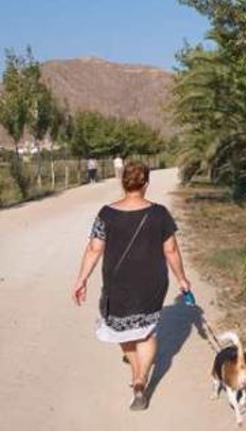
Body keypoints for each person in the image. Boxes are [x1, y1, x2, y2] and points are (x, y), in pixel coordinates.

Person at [72, 161, 191, 410]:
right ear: (146, 183)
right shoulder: (160, 214)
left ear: (122, 182)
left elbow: (94, 248)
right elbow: (170, 250)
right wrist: (182, 278)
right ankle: (141, 380)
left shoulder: (106, 213)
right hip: (152, 284)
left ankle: (136, 378)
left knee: (123, 330)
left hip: (118, 285)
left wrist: (81, 278)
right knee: (146, 332)